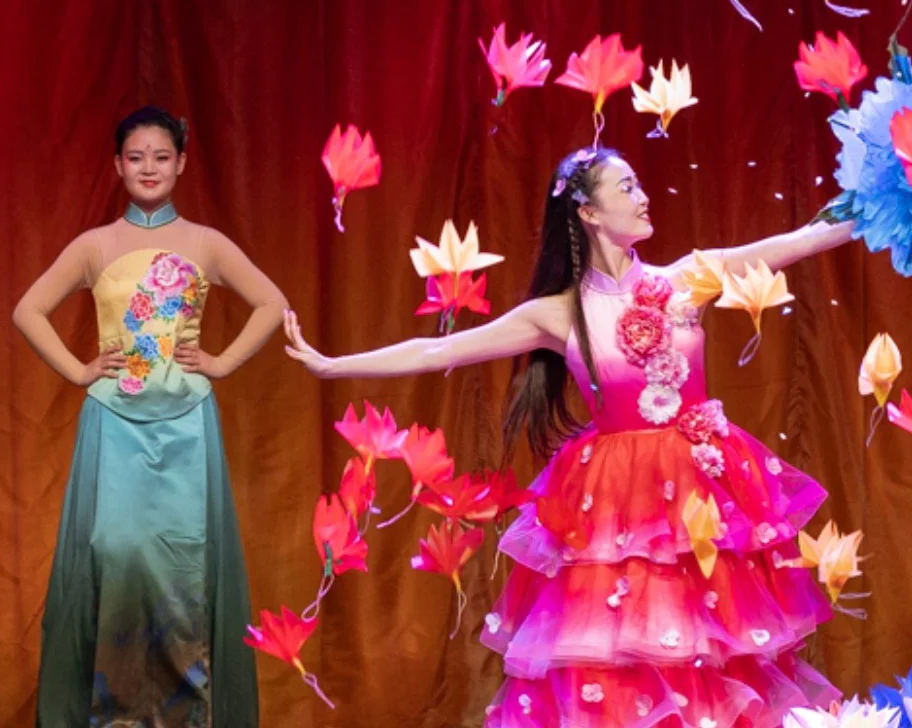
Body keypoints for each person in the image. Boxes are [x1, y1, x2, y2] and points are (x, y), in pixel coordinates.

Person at [283, 146, 850, 727]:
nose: (643, 197)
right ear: (588, 212)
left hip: (701, 490)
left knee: (712, 650)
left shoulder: (686, 279)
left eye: (639, 185)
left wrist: (882, 201)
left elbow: (799, 242)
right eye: (626, 187)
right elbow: (438, 350)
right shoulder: (557, 313)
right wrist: (332, 365)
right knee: (619, 659)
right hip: (616, 500)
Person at [14, 107, 286, 726]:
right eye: (136, 157)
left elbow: (272, 303)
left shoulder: (206, 243)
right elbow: (28, 309)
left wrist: (221, 361)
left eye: (161, 157)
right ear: (117, 165)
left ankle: (188, 715)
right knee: (113, 557)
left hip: (188, 424)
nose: (149, 168)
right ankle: (109, 713)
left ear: (181, 163)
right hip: (113, 421)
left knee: (186, 571)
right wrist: (80, 371)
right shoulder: (94, 246)